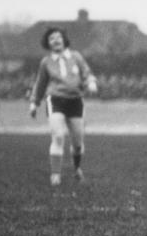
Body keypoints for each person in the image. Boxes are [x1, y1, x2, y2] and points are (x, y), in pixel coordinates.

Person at [29, 27, 98, 185]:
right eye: (51, 38)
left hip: (75, 100)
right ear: (48, 43)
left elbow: (86, 73)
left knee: (78, 143)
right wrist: (34, 103)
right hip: (55, 100)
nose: (55, 40)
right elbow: (40, 84)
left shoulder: (76, 57)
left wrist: (91, 83)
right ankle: (55, 175)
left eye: (58, 37)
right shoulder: (46, 62)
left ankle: (77, 168)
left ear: (64, 40)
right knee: (58, 135)